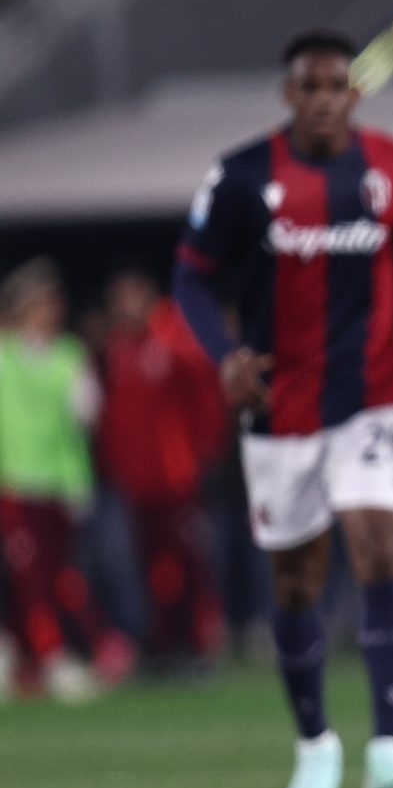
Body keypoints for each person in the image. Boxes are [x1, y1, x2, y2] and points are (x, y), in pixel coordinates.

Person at [171, 29, 393, 788]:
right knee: (298, 579)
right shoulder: (242, 177)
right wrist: (225, 353)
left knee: (379, 547)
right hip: (280, 407)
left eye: (338, 84)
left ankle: (389, 748)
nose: (325, 98)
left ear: (356, 93)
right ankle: (314, 743)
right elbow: (192, 279)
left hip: (371, 392)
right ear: (289, 95)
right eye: (310, 85)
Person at [0, 259, 129, 703]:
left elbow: (87, 413)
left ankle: (39, 655)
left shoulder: (67, 354)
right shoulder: (5, 355)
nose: (48, 312)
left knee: (60, 575)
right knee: (26, 576)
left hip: (59, 484)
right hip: (15, 483)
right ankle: (47, 657)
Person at [96, 270, 230, 669]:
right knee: (151, 566)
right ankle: (165, 644)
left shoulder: (174, 336)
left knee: (186, 563)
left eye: (131, 299)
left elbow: (206, 395)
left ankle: (197, 645)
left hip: (178, 476)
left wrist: (206, 449)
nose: (125, 309)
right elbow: (116, 416)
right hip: (139, 481)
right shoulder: (120, 348)